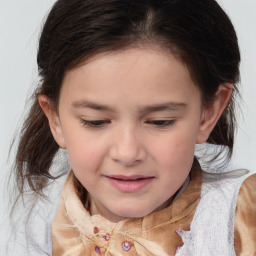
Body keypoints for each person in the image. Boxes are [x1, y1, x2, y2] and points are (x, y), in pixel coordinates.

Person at [10, 0, 256, 255]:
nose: (127, 153)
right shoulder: (35, 226)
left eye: (161, 121)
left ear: (209, 112)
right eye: (95, 122)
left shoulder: (242, 220)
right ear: (56, 119)